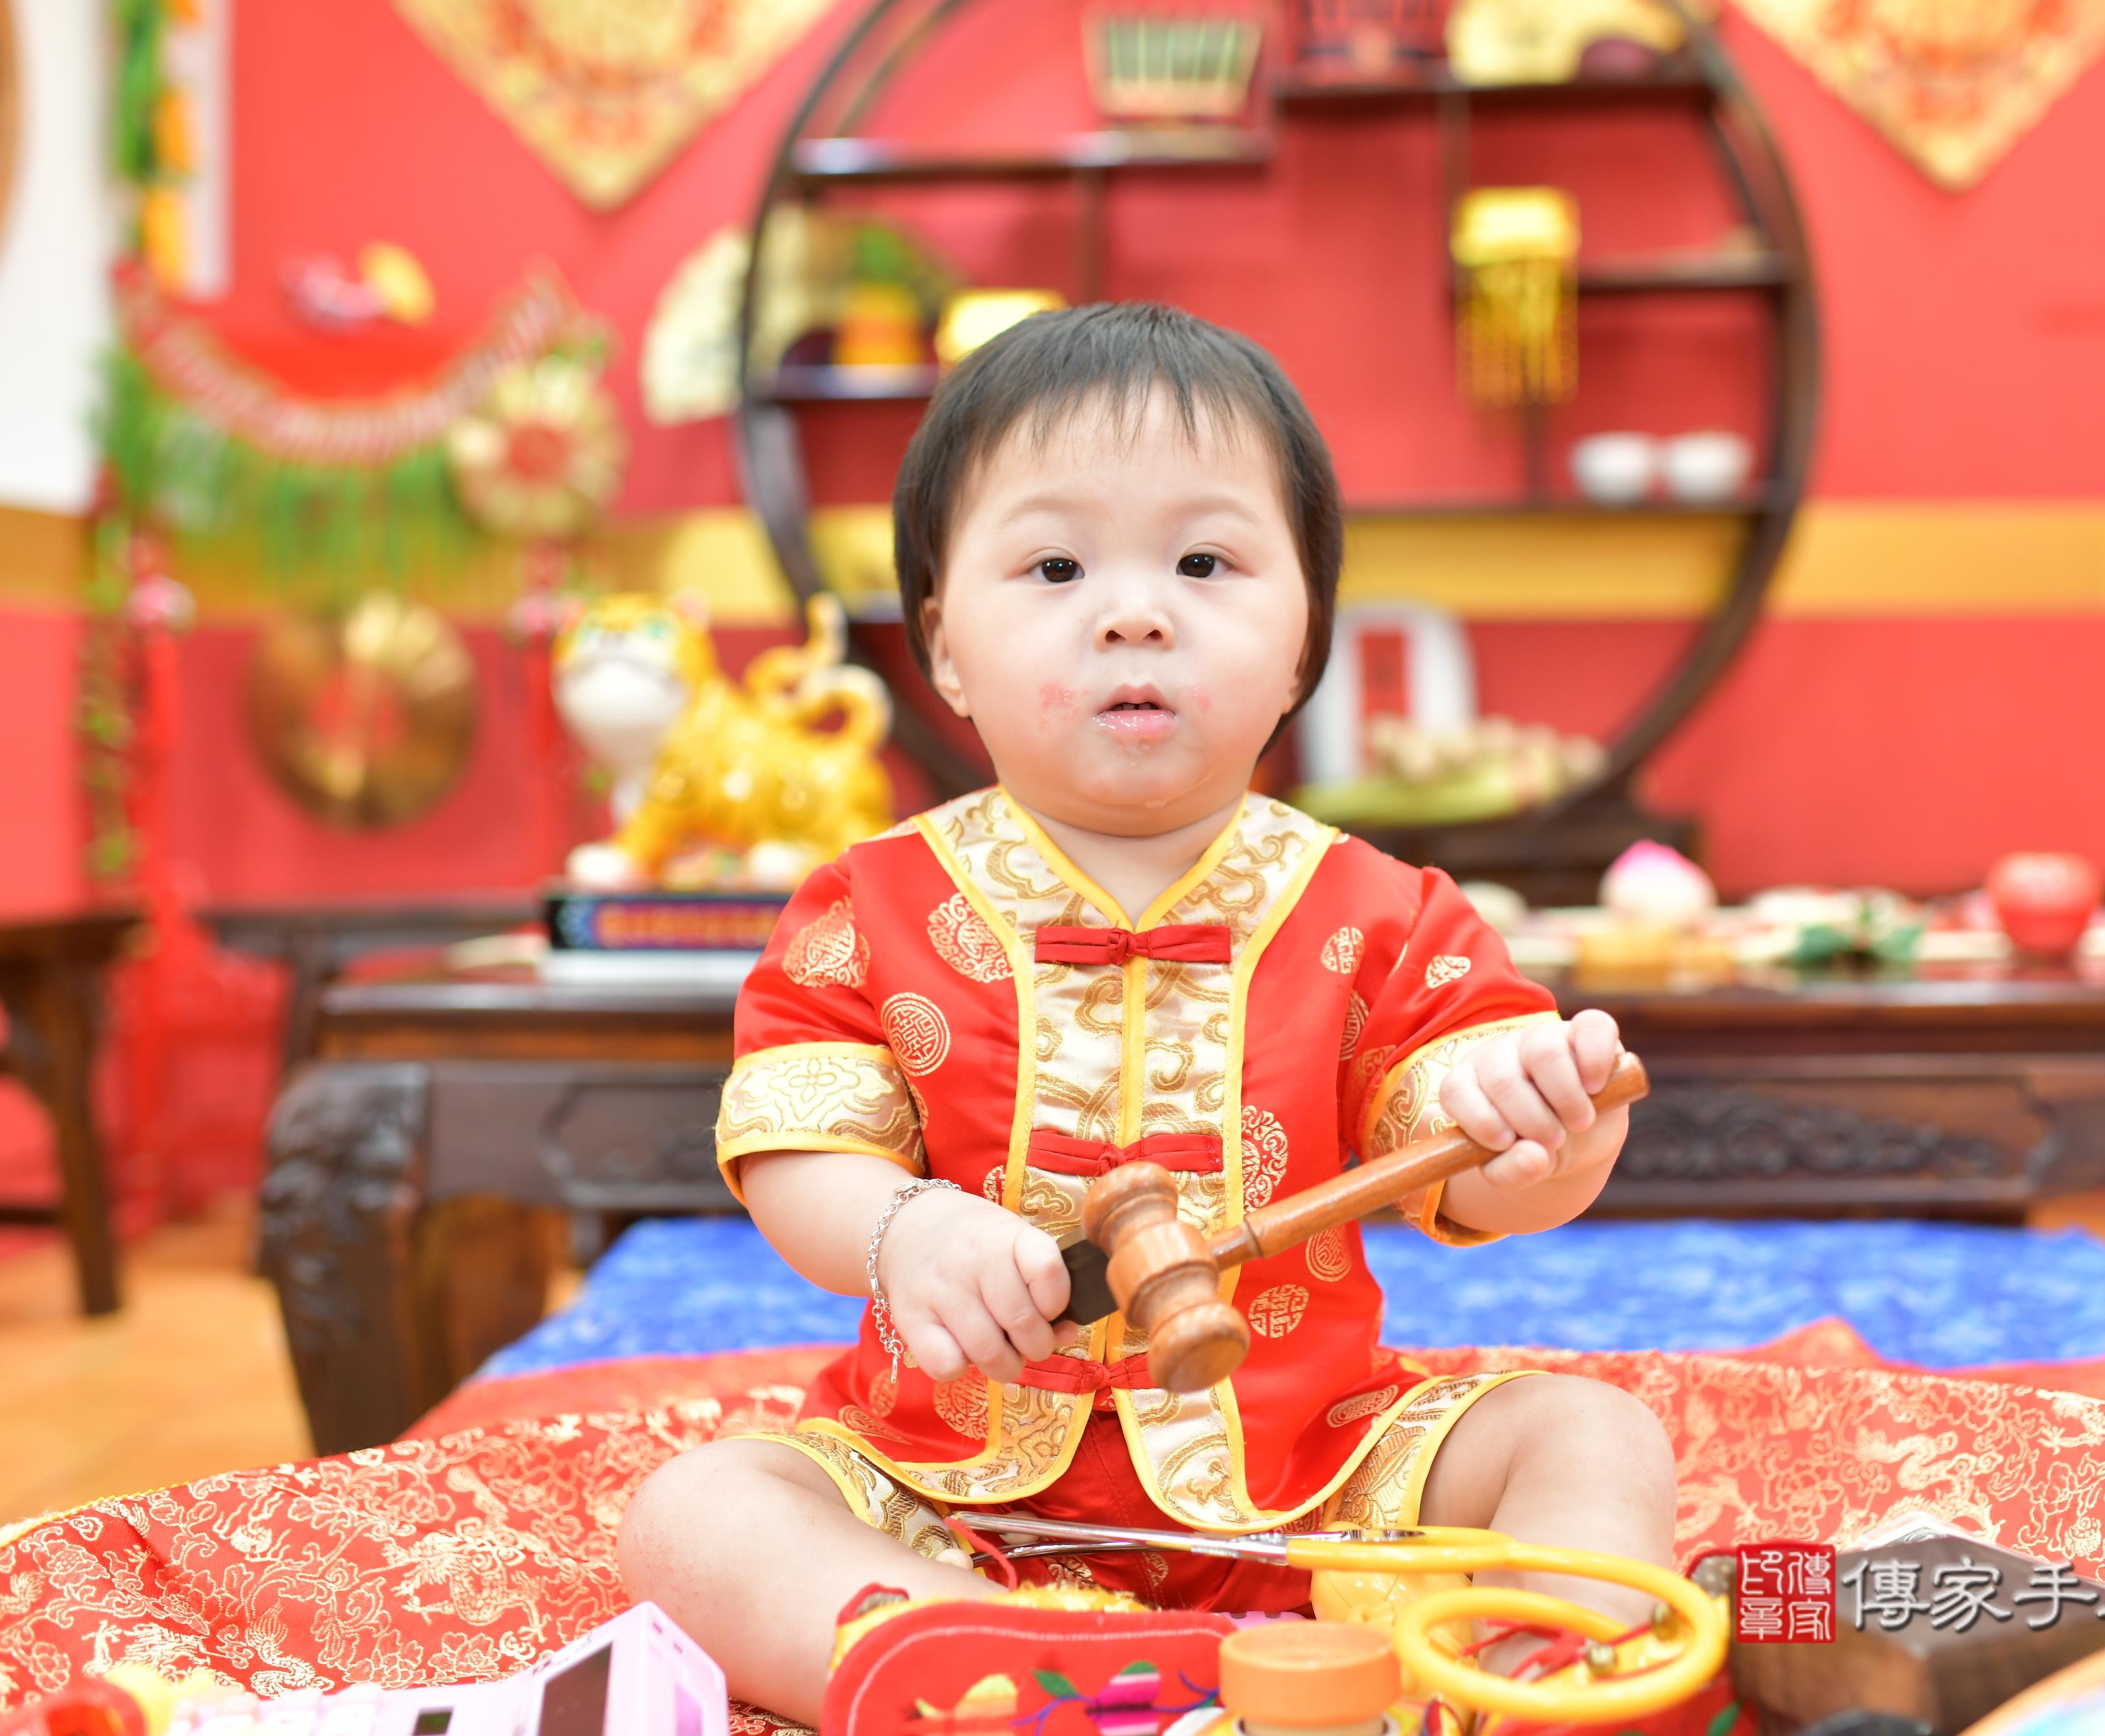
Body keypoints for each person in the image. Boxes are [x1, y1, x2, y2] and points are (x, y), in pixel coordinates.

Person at [618, 303, 1674, 1721]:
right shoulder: (867, 903)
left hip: (1317, 1478)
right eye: (1055, 564)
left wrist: (1544, 1124)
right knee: (697, 1511)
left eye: (1206, 560)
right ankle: (1007, 1667)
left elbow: (1479, 1143)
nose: (1135, 609)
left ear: (1301, 642)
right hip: (945, 1488)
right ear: (942, 647)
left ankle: (1528, 1682)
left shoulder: (1381, 907)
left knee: (1591, 1432)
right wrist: (903, 1228)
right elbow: (799, 1139)